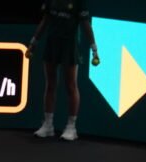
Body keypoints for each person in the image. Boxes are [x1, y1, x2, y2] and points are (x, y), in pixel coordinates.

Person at [27, 0, 98, 141]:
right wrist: (33, 42)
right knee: (50, 85)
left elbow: (85, 25)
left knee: (71, 86)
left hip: (69, 46)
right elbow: (45, 21)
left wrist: (94, 49)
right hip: (52, 44)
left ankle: (71, 127)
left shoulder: (79, 2)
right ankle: (48, 126)